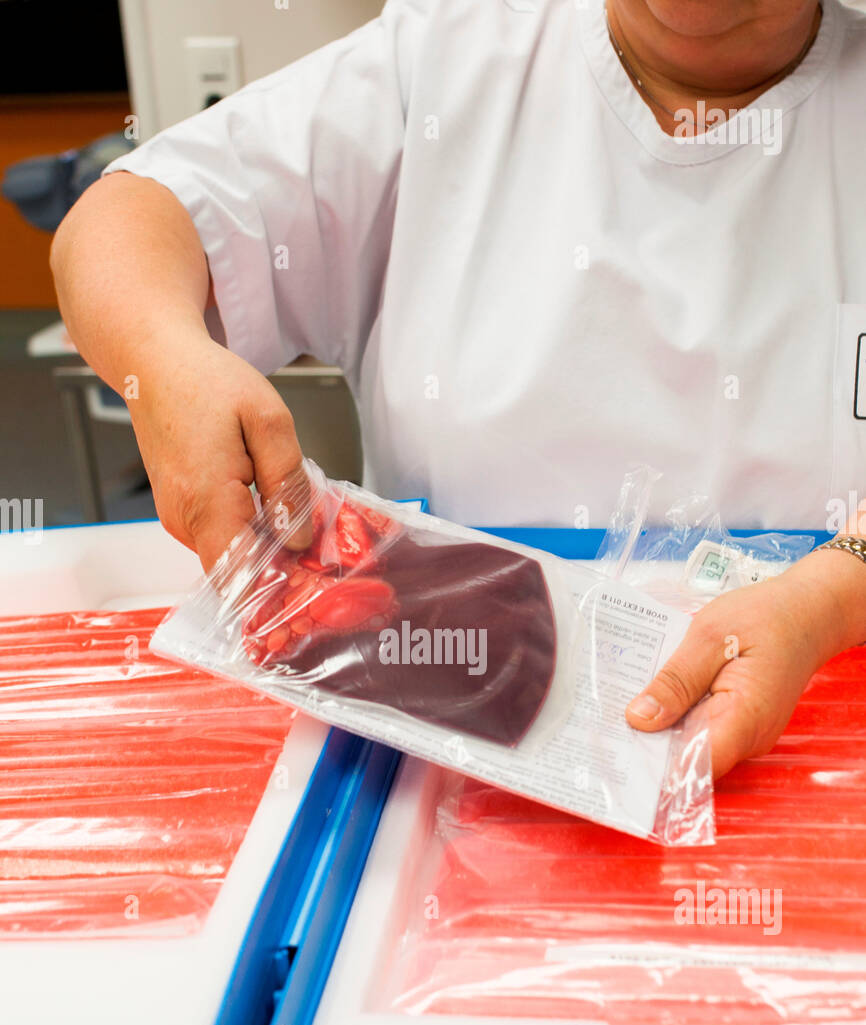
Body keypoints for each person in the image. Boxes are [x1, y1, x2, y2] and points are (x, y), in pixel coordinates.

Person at [50, 0, 866, 777]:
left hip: (824, 741)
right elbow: (127, 218)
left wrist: (830, 597)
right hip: (439, 757)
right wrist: (164, 362)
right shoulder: (444, 64)